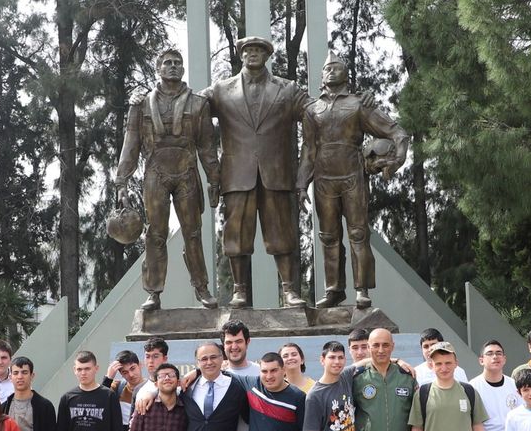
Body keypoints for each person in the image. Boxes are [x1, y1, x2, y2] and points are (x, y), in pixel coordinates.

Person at [297, 51, 410, 309]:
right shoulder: (313, 109)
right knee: (328, 236)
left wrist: (398, 158)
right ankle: (334, 289)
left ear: (346, 73)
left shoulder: (359, 104)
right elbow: (308, 150)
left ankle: (362, 288)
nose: (331, 71)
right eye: (327, 69)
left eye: (337, 67)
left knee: (358, 233)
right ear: (322, 76)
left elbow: (395, 131)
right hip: (324, 179)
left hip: (353, 176)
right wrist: (301, 183)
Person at [204, 34, 311, 308]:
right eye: (248, 49)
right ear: (241, 54)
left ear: (267, 55)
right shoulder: (221, 90)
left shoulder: (286, 89)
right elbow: (191, 107)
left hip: (276, 174)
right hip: (237, 175)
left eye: (259, 50)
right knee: (236, 235)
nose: (253, 53)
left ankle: (289, 290)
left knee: (282, 234)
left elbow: (316, 111)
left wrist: (345, 100)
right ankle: (240, 290)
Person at [114, 46, 222, 310]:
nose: (173, 66)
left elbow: (207, 146)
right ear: (158, 68)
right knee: (155, 235)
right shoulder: (140, 105)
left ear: (183, 69)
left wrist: (214, 179)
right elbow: (131, 144)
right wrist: (121, 182)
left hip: (187, 173)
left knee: (193, 234)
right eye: (167, 62)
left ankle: (202, 288)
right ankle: (153, 292)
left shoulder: (199, 104)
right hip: (155, 174)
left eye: (177, 62)